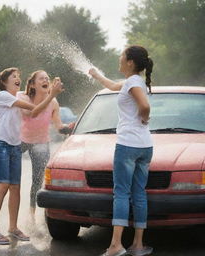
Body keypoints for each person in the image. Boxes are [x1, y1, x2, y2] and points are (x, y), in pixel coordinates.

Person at [0, 67, 63, 245]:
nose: (17, 78)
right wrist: (52, 94)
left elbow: (38, 110)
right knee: (3, 185)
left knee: (15, 187)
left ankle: (13, 227)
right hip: (0, 143)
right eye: (13, 76)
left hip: (13, 145)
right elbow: (34, 110)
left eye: (18, 76)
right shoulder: (4, 96)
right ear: (4, 82)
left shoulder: (17, 97)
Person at [89, 45, 154, 256]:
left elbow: (144, 106)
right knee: (139, 195)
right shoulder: (133, 82)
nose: (119, 58)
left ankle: (116, 245)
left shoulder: (133, 82)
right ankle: (137, 245)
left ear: (130, 62)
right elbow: (111, 85)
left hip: (128, 145)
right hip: (144, 146)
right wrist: (97, 75)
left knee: (122, 194)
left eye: (122, 56)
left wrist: (144, 117)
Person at [17, 70, 74, 216]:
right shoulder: (22, 97)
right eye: (41, 78)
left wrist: (69, 128)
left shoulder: (53, 102)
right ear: (33, 84)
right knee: (12, 179)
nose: (45, 80)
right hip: (22, 141)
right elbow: (31, 113)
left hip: (41, 143)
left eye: (47, 78)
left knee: (37, 182)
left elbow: (59, 126)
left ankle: (32, 217)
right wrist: (52, 95)